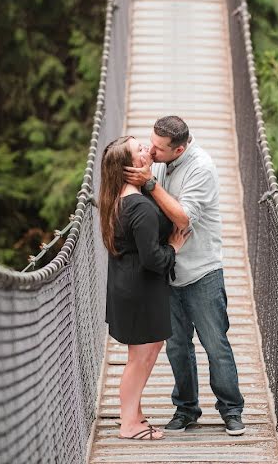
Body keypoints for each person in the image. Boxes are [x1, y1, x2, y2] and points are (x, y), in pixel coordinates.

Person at [124, 116, 246, 436]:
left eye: (158, 148)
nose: (151, 151)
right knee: (177, 347)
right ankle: (186, 409)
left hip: (202, 271)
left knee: (214, 344)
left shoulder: (201, 168)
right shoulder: (160, 159)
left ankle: (231, 410)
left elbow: (183, 217)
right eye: (149, 143)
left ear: (179, 148)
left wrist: (150, 183)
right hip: (169, 270)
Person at [99, 135, 189, 441]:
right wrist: (174, 248)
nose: (146, 150)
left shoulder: (119, 197)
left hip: (129, 287)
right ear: (130, 165)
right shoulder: (139, 205)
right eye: (139, 149)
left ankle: (134, 413)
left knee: (147, 351)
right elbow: (152, 259)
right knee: (140, 357)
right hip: (140, 289)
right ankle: (129, 425)